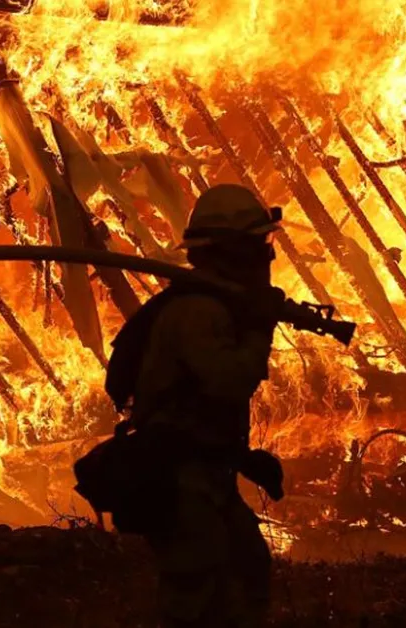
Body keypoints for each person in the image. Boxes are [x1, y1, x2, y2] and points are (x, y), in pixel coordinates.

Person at [107, 184, 283, 627]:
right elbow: (228, 383)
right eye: (259, 246)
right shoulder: (198, 312)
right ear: (230, 252)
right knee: (194, 592)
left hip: (207, 473)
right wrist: (261, 329)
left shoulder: (214, 306)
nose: (268, 257)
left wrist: (240, 458)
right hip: (181, 480)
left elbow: (200, 409)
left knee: (247, 569)